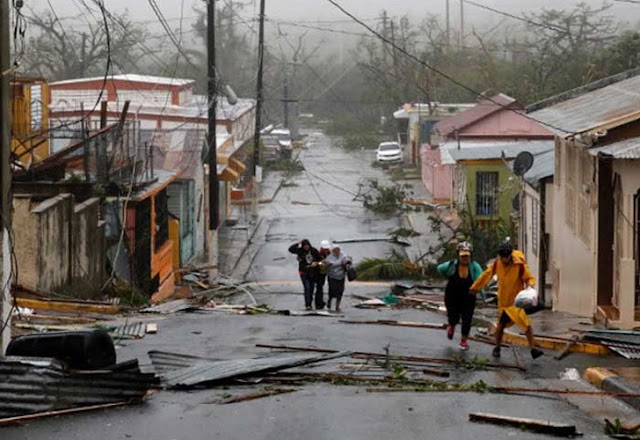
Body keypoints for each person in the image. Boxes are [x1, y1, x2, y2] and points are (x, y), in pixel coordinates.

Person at [470, 241, 544, 360]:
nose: (504, 259)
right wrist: (475, 287)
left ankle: (533, 349)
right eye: (502, 256)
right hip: (504, 302)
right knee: (500, 327)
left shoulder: (519, 265)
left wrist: (530, 286)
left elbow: (529, 277)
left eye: (506, 256)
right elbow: (486, 275)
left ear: (510, 255)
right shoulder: (496, 264)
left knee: (526, 325)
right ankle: (497, 347)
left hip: (516, 302)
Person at [437, 242, 484, 351]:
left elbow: (481, 279)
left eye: (467, 256)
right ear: (458, 255)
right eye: (462, 256)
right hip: (452, 295)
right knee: (453, 315)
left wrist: (479, 290)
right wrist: (447, 276)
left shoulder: (474, 267)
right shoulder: (452, 265)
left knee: (467, 318)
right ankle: (452, 326)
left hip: (468, 297)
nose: (465, 258)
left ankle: (463, 341)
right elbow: (439, 268)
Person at [288, 239, 322, 310]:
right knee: (307, 288)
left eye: (307, 246)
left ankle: (310, 302)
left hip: (313, 273)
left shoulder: (314, 251)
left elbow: (320, 260)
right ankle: (308, 304)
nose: (306, 247)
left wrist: (316, 263)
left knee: (312, 288)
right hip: (304, 273)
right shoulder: (300, 251)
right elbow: (290, 249)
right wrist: (298, 243)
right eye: (305, 246)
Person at [325, 244, 351, 312]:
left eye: (338, 250)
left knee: (340, 291)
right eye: (335, 250)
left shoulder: (343, 255)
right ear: (333, 251)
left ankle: (337, 306)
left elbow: (347, 260)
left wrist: (348, 262)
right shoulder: (329, 257)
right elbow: (326, 264)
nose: (337, 251)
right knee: (332, 291)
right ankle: (329, 301)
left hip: (341, 276)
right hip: (332, 276)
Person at [315, 240, 332, 310]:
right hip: (319, 272)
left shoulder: (330, 253)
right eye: (324, 249)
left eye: (326, 249)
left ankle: (329, 302)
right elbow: (315, 263)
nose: (325, 250)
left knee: (331, 287)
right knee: (319, 287)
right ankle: (319, 302)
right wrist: (321, 263)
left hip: (328, 272)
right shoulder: (317, 253)